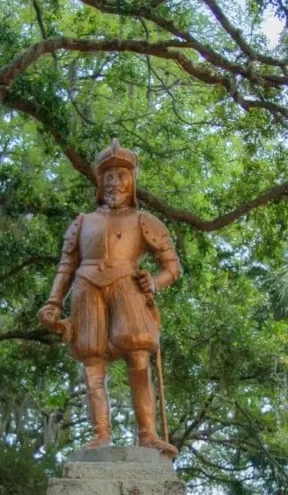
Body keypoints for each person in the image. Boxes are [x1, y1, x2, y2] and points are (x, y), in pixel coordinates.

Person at [37, 140, 181, 457]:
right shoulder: (82, 222)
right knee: (92, 360)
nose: (114, 182)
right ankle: (100, 434)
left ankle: (148, 434)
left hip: (127, 285)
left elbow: (172, 267)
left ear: (132, 181)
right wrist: (53, 301)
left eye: (121, 175)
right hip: (86, 286)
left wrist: (154, 283)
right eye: (108, 176)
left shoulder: (145, 221)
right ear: (100, 182)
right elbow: (66, 265)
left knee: (138, 356)